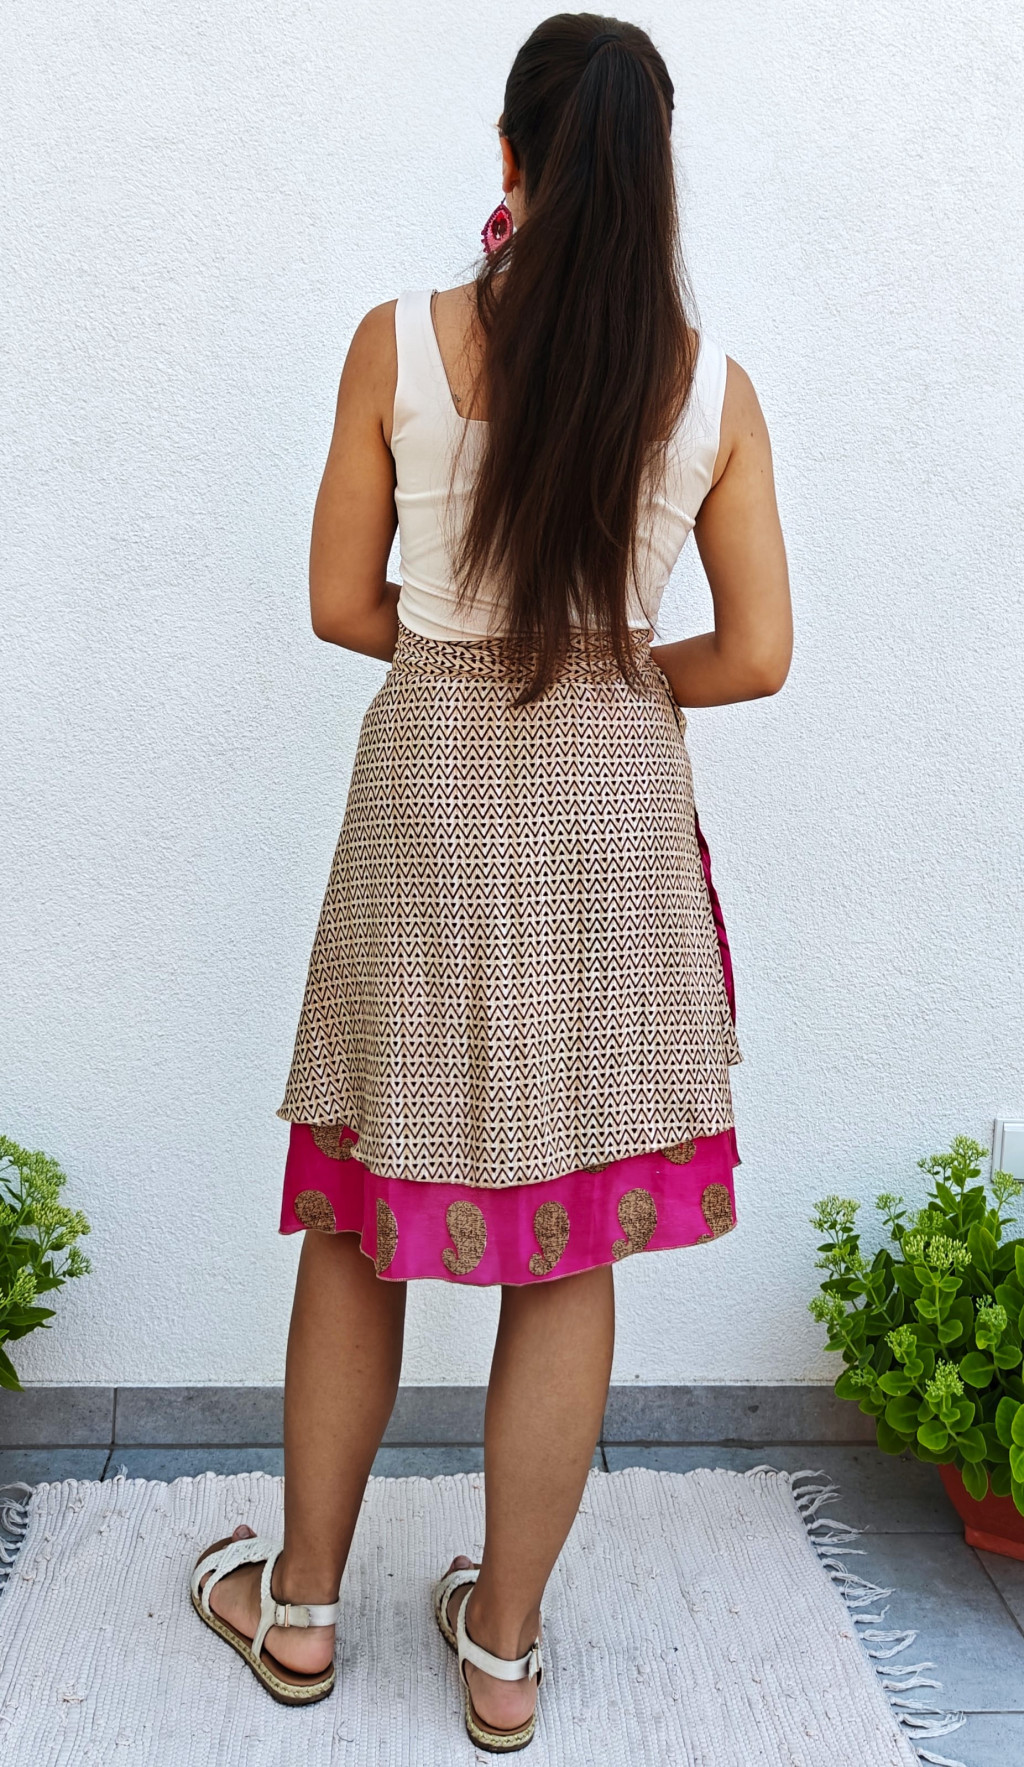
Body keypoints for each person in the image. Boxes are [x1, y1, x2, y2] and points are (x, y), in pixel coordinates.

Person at [188, 10, 791, 1752]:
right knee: (570, 1240)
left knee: (360, 1210)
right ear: (656, 177)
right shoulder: (712, 389)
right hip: (609, 808)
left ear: (511, 156)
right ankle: (504, 1653)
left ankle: (303, 1613)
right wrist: (611, 673)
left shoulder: (398, 340)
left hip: (432, 795)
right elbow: (756, 654)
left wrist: (469, 652)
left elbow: (338, 604)